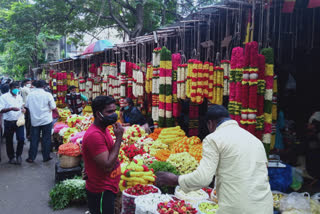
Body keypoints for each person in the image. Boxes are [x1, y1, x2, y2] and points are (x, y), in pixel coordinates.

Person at [156, 105, 273, 214]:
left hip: (238, 209)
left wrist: (175, 179)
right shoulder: (255, 141)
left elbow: (203, 178)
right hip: (265, 207)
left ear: (210, 124)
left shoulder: (214, 139)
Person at [82, 96, 124, 214]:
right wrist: (119, 138)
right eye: (109, 112)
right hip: (101, 190)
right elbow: (107, 166)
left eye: (114, 110)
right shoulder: (94, 135)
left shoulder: (103, 128)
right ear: (98, 114)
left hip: (107, 187)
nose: (114, 114)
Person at [25, 80, 56, 163]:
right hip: (46, 120)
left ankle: (31, 157)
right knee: (46, 139)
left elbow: (26, 106)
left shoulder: (30, 95)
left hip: (35, 120)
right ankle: (46, 157)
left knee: (34, 139)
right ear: (44, 86)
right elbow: (53, 106)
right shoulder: (48, 95)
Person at [0, 82, 26, 164]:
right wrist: (10, 108)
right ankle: (11, 157)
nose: (16, 89)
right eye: (15, 87)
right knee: (9, 140)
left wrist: (23, 109)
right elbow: (1, 109)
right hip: (9, 121)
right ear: (10, 88)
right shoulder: (4, 97)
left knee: (21, 139)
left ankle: (18, 155)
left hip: (19, 120)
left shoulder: (19, 96)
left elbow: (22, 106)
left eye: (18, 87)